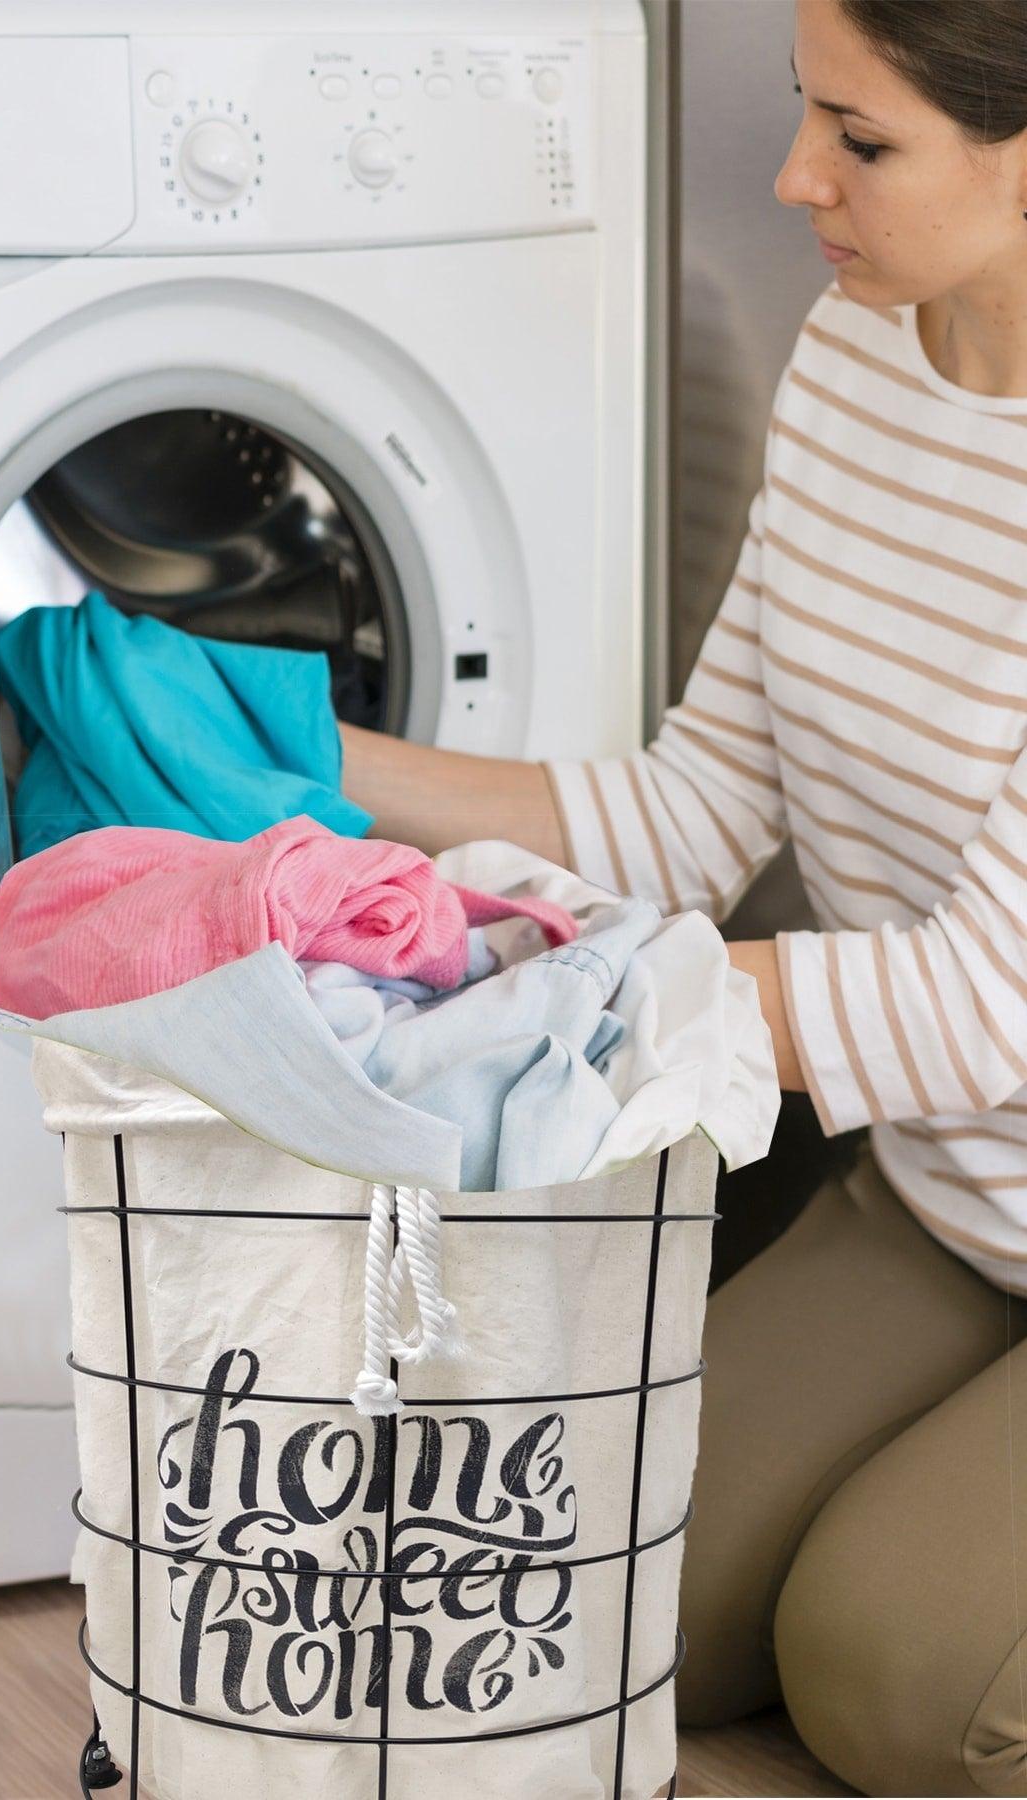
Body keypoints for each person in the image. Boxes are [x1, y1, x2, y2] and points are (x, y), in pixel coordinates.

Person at [339, 1, 1027, 1791]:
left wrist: (562, 1008)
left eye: (862, 143)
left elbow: (984, 1002)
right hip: (960, 1200)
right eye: (809, 116)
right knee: (574, 1580)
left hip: (981, 1097)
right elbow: (698, 805)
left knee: (894, 1675)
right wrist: (302, 759)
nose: (798, 176)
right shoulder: (858, 352)